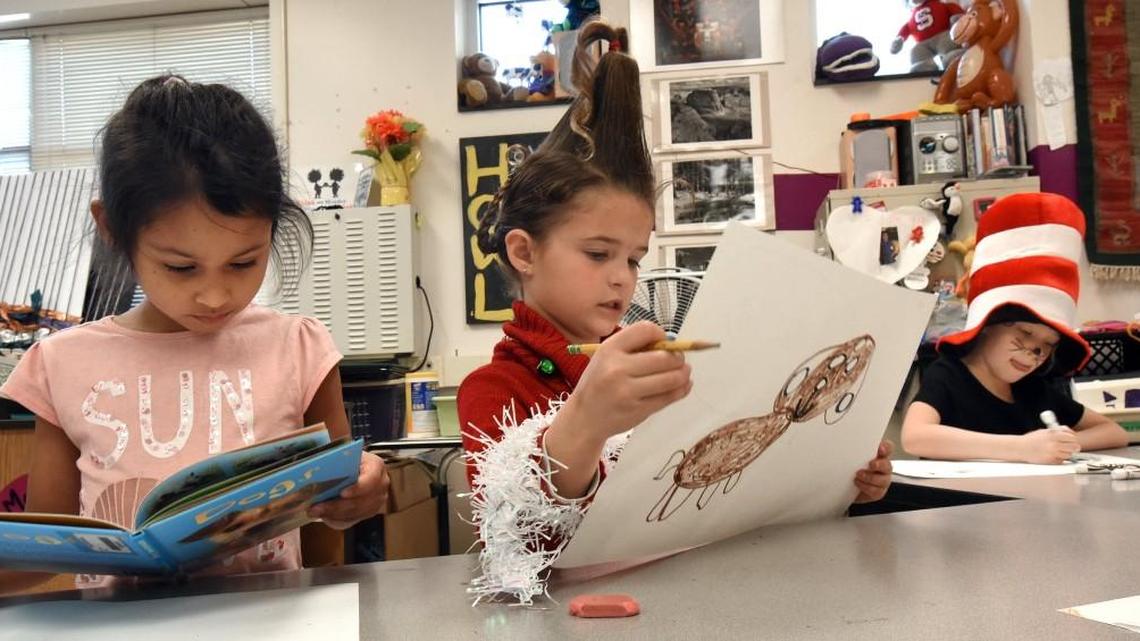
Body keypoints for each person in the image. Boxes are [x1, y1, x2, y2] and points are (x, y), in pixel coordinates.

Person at [458, 22, 893, 603]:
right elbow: (515, 550)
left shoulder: (660, 366)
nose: (622, 276)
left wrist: (835, 479)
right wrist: (584, 423)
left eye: (636, 258)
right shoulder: (493, 388)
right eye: (597, 253)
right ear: (523, 251)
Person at [0, 75, 389, 594]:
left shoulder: (299, 349)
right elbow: (44, 553)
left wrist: (361, 496)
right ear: (112, 228)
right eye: (181, 268)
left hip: (270, 627)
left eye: (243, 262)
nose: (215, 296)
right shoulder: (61, 364)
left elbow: (327, 535)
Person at [902, 192, 1129, 463]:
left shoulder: (1031, 389)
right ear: (988, 325)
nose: (1034, 352)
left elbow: (1115, 432)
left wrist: (1062, 444)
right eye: (1025, 334)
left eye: (1047, 345)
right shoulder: (949, 374)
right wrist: (1022, 448)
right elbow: (915, 437)